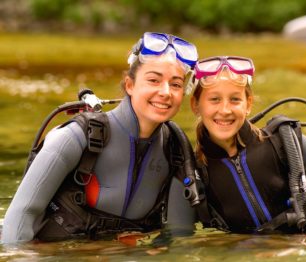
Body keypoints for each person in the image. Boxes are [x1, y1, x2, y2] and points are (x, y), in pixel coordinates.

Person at [1, 32, 198, 243]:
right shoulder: (74, 138)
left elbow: (180, 238)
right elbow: (20, 219)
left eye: (176, 84)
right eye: (153, 80)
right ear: (129, 85)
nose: (166, 92)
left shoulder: (175, 149)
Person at [190, 55, 306, 235]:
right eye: (214, 99)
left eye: (235, 99)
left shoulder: (285, 142)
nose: (225, 110)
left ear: (248, 104)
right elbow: (179, 241)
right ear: (196, 105)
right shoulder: (194, 174)